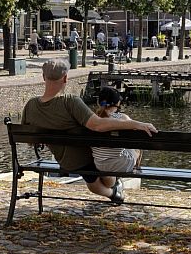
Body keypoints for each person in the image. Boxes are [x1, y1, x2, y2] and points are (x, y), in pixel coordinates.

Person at [21, 59, 157, 203]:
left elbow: (29, 140)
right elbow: (97, 125)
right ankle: (114, 188)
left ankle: (113, 193)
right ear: (66, 78)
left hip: (65, 162)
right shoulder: (70, 101)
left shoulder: (31, 105)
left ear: (43, 77)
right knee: (105, 164)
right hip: (86, 159)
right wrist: (136, 124)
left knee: (98, 175)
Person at [91, 87, 143, 174]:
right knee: (138, 148)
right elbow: (137, 133)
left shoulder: (91, 119)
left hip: (99, 164)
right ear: (117, 103)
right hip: (120, 165)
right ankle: (135, 171)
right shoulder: (122, 118)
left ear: (98, 102)